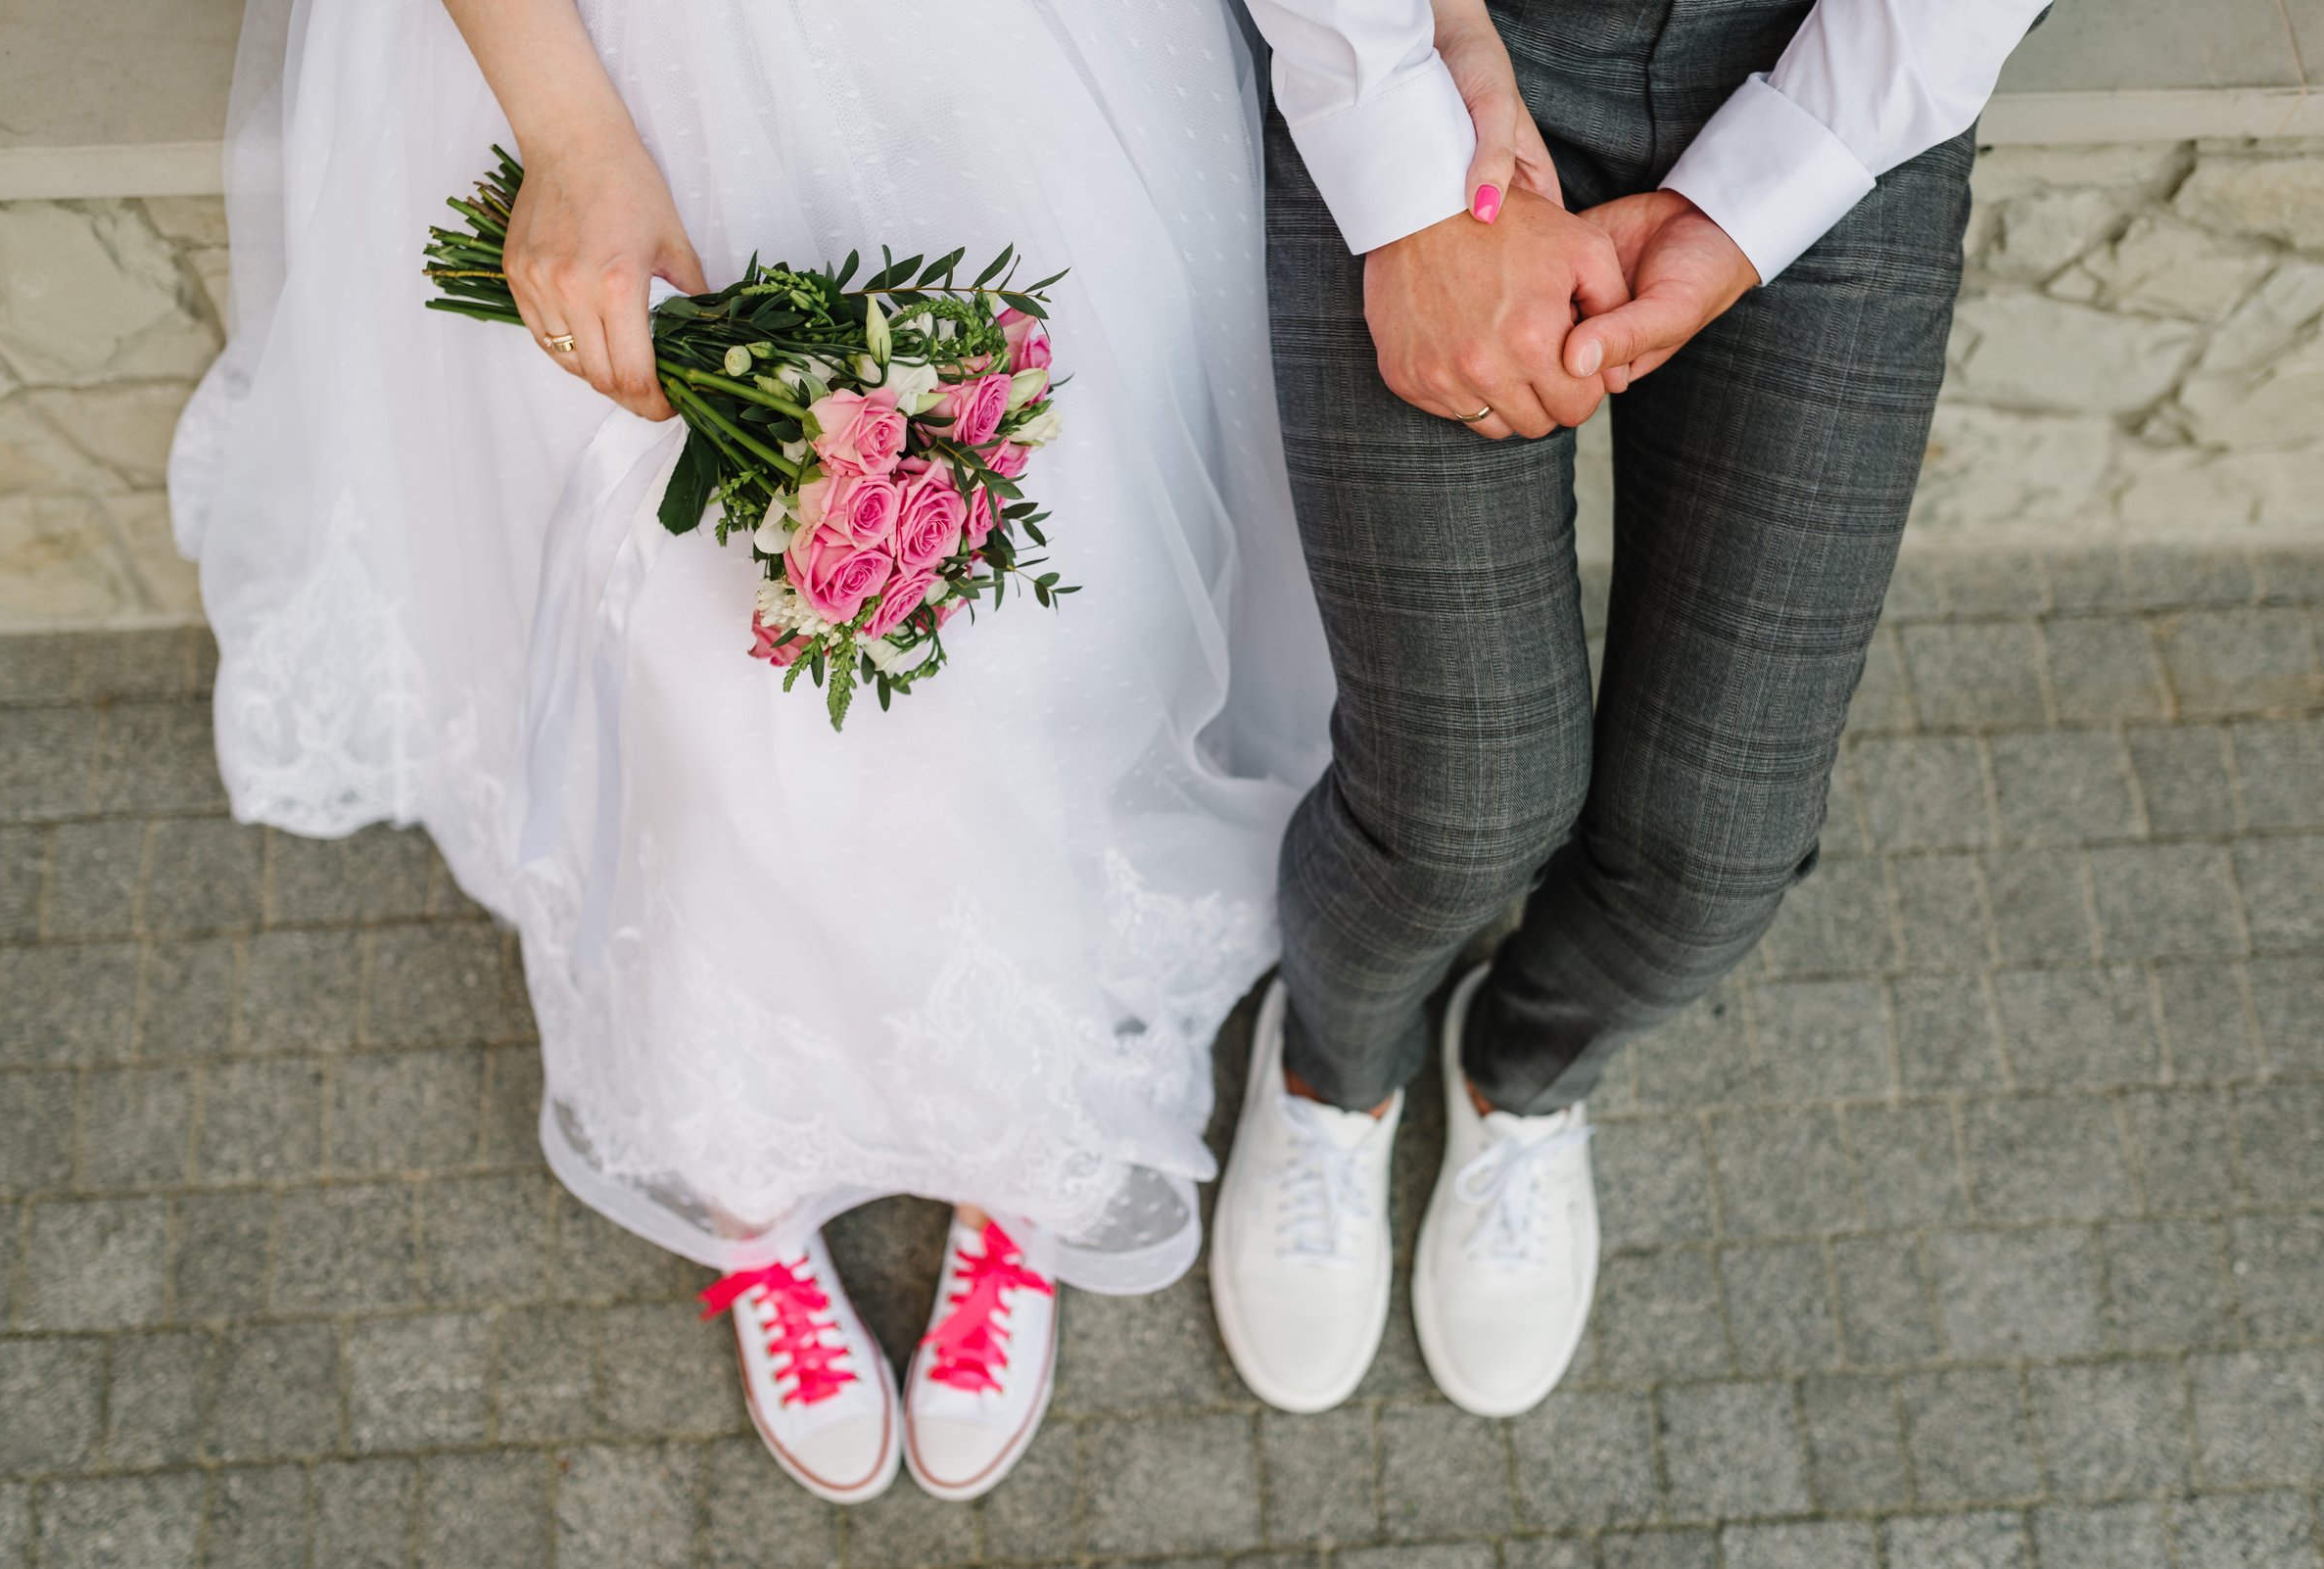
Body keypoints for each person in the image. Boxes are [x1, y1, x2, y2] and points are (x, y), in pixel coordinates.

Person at [166, 0, 1459, 1506]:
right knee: (699, 655)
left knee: (1053, 613)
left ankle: (1013, 1128)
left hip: (1021, 55)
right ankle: (747, 1158)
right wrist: (573, 131)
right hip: (627, 55)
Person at [1212, 0, 2049, 1418]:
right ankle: (1331, 1067)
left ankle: (1521, 1071)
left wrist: (1775, 182)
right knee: (1458, 807)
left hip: (1847, 45)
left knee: (1719, 848)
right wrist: (1403, 153)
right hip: (1425, 36)